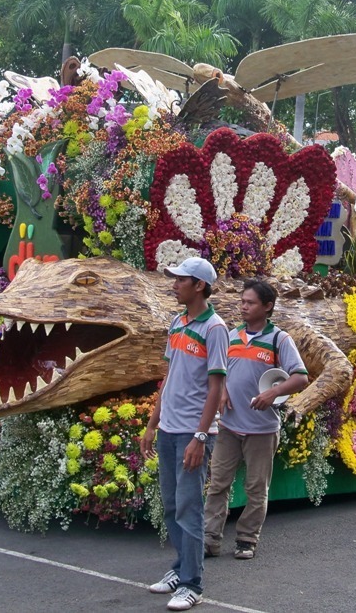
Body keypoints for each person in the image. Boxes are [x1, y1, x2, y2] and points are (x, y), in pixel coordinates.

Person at [141, 256, 228, 611]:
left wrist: (201, 436)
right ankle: (180, 569)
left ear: (200, 286)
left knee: (189, 509)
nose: (174, 284)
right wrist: (151, 423)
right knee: (172, 506)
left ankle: (193, 584)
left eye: (181, 279)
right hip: (168, 430)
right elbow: (170, 378)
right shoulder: (177, 323)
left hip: (193, 434)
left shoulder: (215, 328)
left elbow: (216, 388)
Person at [203, 280, 308, 561]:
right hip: (227, 426)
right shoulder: (231, 334)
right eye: (242, 301)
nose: (244, 307)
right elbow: (218, 372)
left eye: (250, 303)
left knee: (255, 488)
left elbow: (300, 377)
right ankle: (210, 539)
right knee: (218, 485)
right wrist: (223, 391)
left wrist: (272, 393)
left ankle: (246, 539)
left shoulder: (279, 339)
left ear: (267, 307)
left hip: (262, 430)